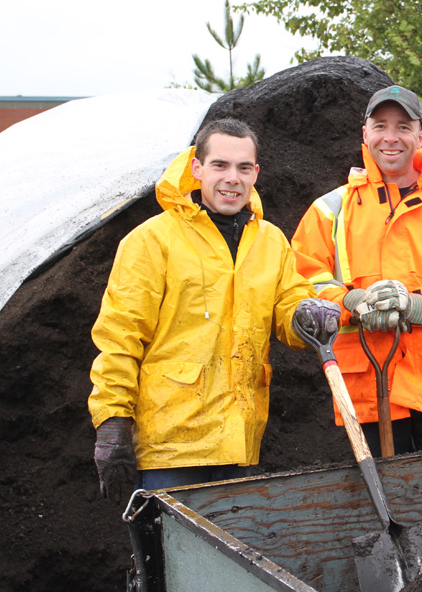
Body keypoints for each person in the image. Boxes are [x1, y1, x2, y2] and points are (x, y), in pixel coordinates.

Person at [88, 118, 340, 498]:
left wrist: (304, 315)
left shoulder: (271, 242)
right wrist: (112, 419)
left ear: (256, 173)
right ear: (196, 168)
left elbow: (288, 305)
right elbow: (120, 335)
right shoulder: (153, 240)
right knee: (172, 555)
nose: (232, 178)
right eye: (220, 165)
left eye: (243, 168)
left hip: (239, 441)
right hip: (171, 447)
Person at [292, 85, 422, 456]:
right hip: (368, 384)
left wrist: (419, 308)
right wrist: (350, 301)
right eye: (381, 125)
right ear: (365, 133)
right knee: (383, 499)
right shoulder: (330, 209)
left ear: (420, 136)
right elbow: (302, 279)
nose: (391, 137)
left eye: (403, 127)